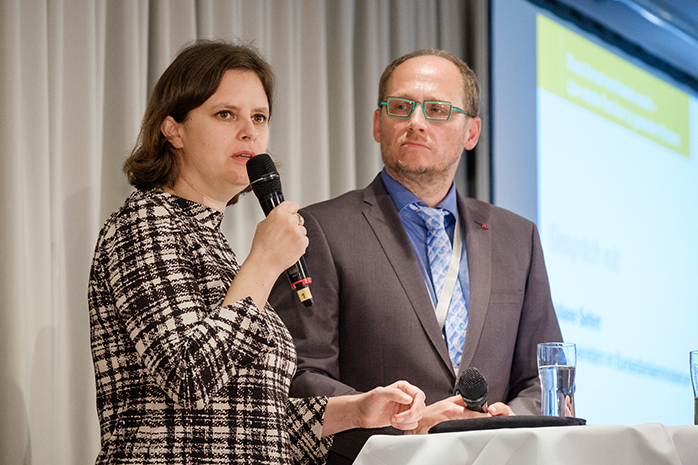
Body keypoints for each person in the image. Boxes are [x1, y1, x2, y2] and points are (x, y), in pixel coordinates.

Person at [87, 40, 425, 465]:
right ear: (172, 129)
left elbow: (246, 416)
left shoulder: (216, 246)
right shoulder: (143, 224)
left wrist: (355, 409)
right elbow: (188, 379)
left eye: (259, 117)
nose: (250, 131)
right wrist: (264, 262)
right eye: (225, 114)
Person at [269, 49, 563, 463]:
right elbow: (297, 376)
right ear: (377, 123)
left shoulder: (517, 238)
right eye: (401, 107)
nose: (416, 122)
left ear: (472, 132)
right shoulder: (320, 229)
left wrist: (509, 418)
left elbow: (540, 375)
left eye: (438, 109)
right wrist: (407, 420)